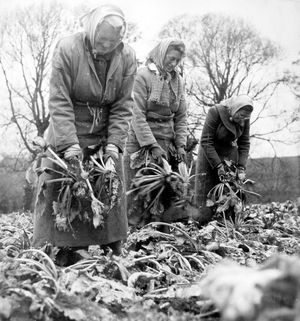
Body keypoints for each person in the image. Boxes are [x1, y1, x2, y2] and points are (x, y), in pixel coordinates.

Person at [32, 4, 136, 264]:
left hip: (104, 132)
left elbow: (123, 105)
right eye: (102, 40)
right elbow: (59, 98)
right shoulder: (68, 48)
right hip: (69, 126)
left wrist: (114, 146)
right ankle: (62, 250)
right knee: (63, 190)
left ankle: (110, 249)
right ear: (91, 31)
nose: (106, 46)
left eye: (113, 42)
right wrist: (69, 145)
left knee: (110, 186)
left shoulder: (127, 57)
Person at [124, 38, 188, 227]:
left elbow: (181, 116)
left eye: (178, 60)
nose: (174, 63)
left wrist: (180, 144)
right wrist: (151, 145)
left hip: (166, 141)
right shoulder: (142, 76)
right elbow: (136, 115)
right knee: (140, 190)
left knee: (166, 191)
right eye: (171, 58)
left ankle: (160, 235)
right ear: (161, 54)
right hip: (141, 142)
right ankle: (136, 235)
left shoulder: (178, 81)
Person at [194, 95, 254, 224]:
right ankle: (202, 225)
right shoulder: (215, 112)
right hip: (209, 154)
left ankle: (225, 226)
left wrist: (241, 167)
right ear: (234, 108)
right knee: (206, 197)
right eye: (240, 115)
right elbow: (206, 141)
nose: (242, 120)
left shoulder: (245, 118)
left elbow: (244, 143)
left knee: (229, 194)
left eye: (245, 117)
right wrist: (218, 166)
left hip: (229, 155)